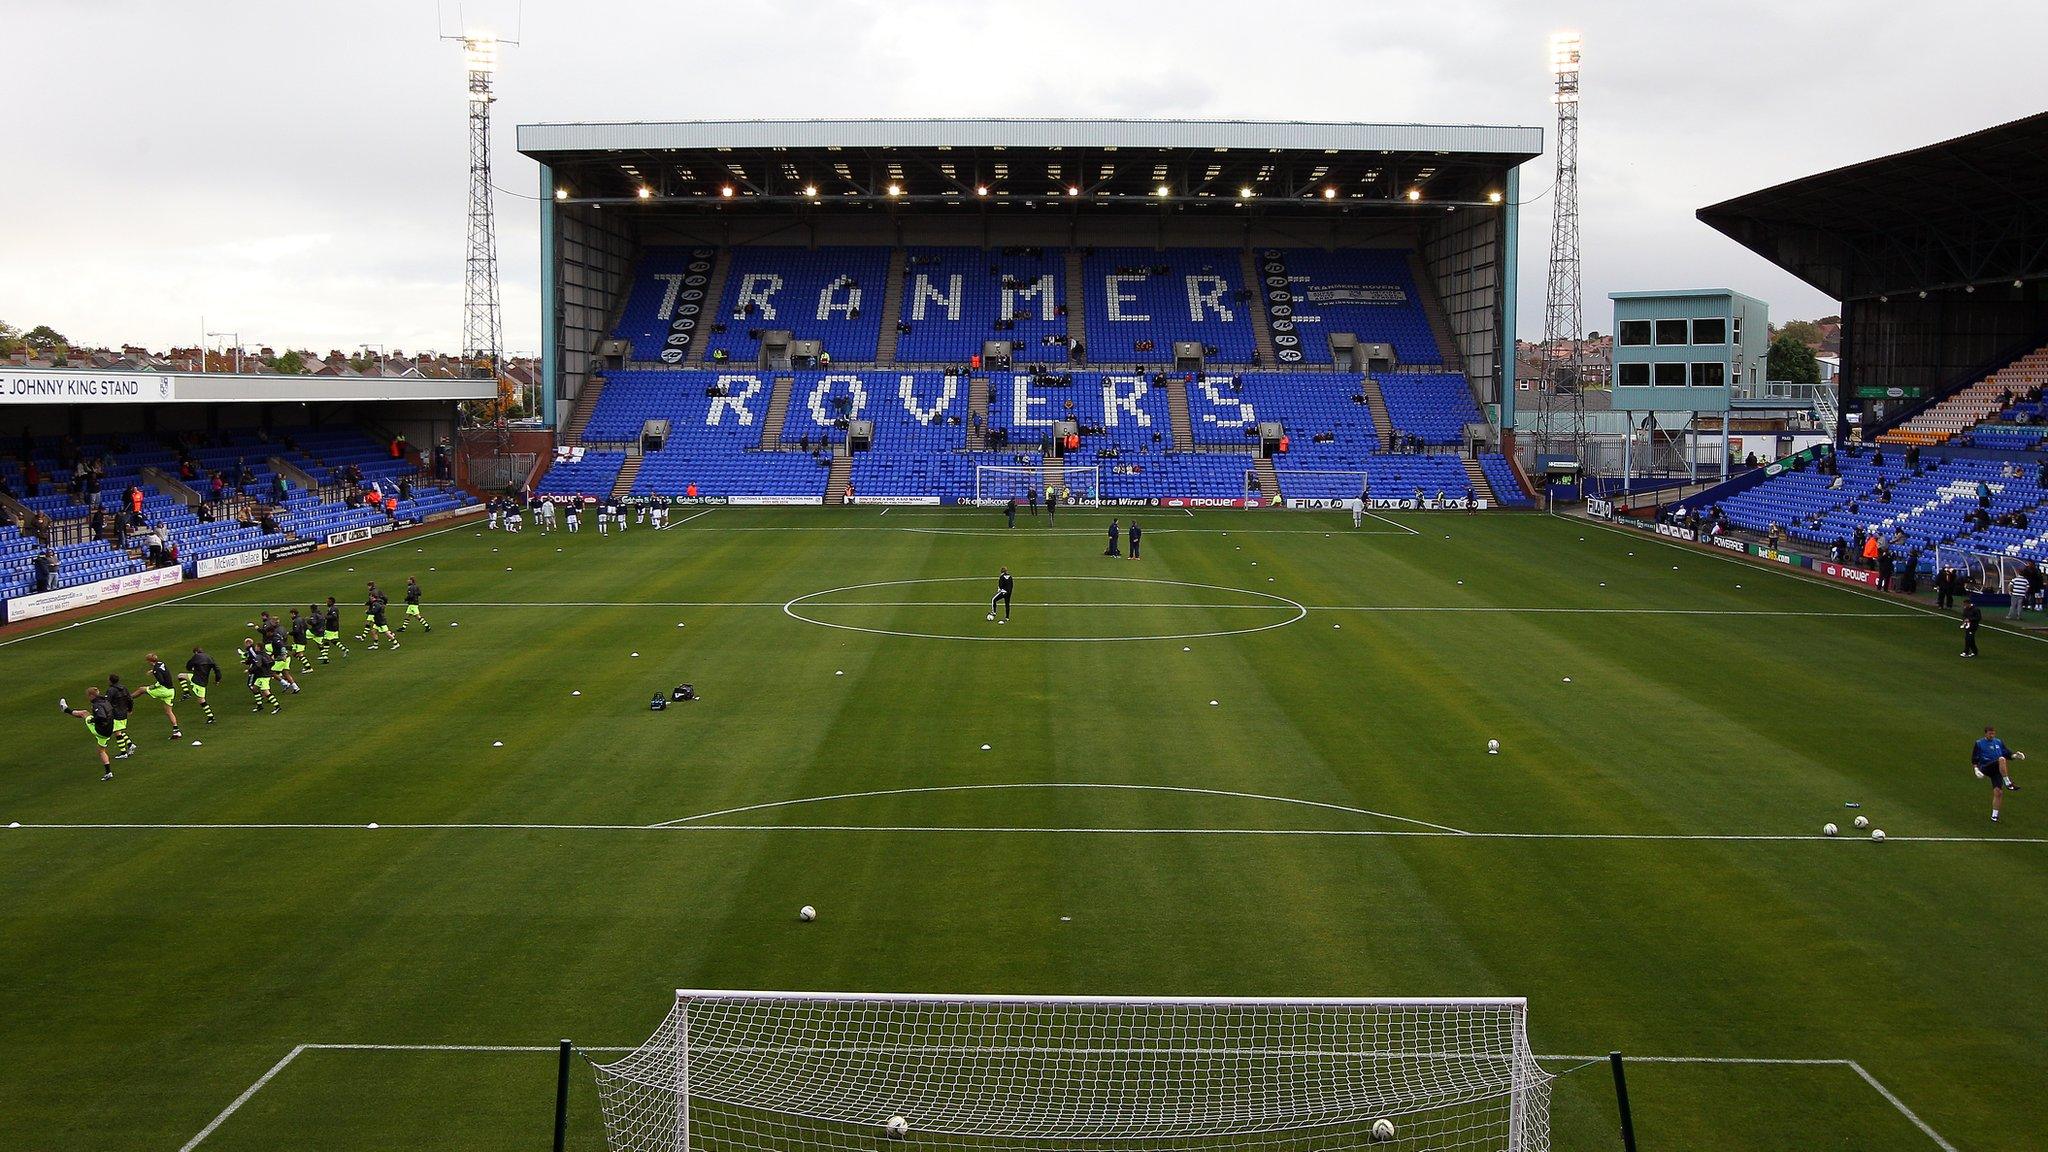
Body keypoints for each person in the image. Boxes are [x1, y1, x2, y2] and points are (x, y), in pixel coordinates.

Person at [58, 687, 119, 781]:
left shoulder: (97, 705)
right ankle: (108, 772)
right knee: (101, 751)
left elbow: (101, 717)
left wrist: (93, 720)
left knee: (84, 713)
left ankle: (66, 710)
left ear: (91, 695)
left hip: (100, 730)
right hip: (109, 730)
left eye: (88, 696)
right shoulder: (106, 701)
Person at [1972, 725, 2025, 823]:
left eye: (1993, 733)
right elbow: (1974, 759)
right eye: (1990, 733)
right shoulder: (1979, 743)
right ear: (1986, 733)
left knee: (1998, 792)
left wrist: (2016, 756)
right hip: (1986, 767)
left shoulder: (1998, 742)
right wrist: (1976, 770)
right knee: (2001, 759)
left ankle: (1994, 816)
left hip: (1997, 770)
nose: (1992, 735)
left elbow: (2008, 754)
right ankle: (2008, 783)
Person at [141, 654, 184, 738]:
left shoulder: (156, 670)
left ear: (149, 661)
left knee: (141, 689)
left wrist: (154, 686)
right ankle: (176, 731)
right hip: (171, 690)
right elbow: (161, 670)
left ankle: (127, 699)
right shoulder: (161, 663)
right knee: (169, 712)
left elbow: (161, 681)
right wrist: (152, 671)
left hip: (164, 690)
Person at [103, 673, 140, 760]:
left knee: (117, 732)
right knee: (118, 731)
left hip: (115, 714)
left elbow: (107, 703)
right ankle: (130, 745)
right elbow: (130, 699)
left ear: (110, 681)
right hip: (123, 713)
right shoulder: (124, 688)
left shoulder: (111, 690)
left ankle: (123, 752)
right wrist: (130, 709)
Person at [240, 637, 281, 714]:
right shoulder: (266, 654)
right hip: (264, 675)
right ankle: (259, 705)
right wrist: (268, 669)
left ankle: (277, 706)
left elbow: (258, 666)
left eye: (256, 647)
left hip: (263, 676)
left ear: (258, 648)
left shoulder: (259, 656)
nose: (255, 647)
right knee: (254, 688)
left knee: (266, 692)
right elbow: (272, 662)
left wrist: (249, 670)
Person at [181, 646, 222, 723]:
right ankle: (186, 693)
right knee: (180, 676)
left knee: (201, 700)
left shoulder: (196, 656)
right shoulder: (209, 657)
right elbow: (217, 669)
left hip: (197, 681)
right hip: (201, 680)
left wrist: (192, 668)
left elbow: (188, 666)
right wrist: (217, 679)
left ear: (196, 652)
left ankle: (211, 717)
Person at [363, 583, 398, 650]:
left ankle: (396, 643)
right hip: (377, 621)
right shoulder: (377, 603)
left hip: (381, 621)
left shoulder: (376, 604)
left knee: (387, 633)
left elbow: (374, 612)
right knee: (373, 631)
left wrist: (367, 612)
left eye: (371, 597)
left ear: (373, 597)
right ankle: (375, 645)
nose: (370, 598)